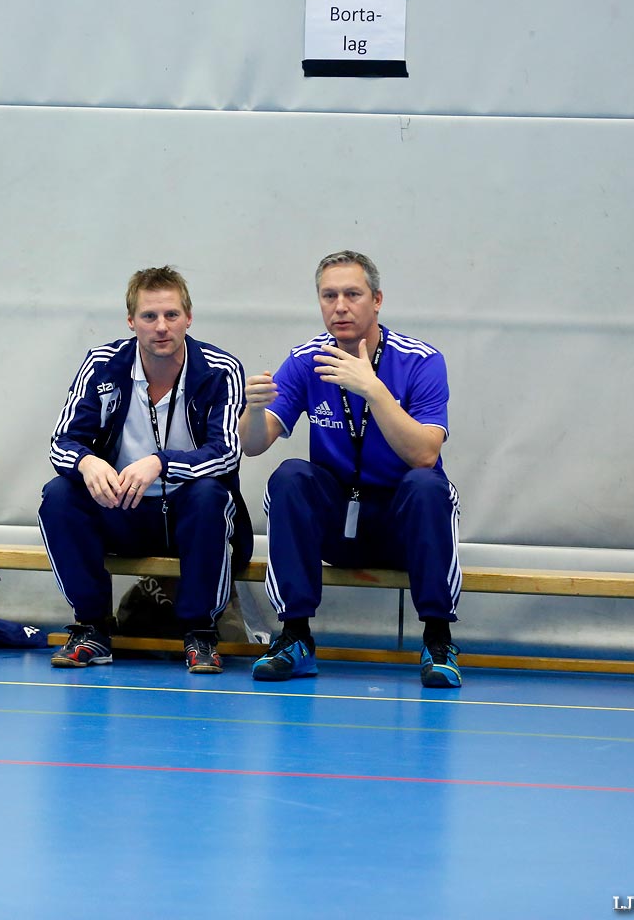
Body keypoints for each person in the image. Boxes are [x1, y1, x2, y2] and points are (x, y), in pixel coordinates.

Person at [239, 251, 462, 686]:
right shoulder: (307, 360)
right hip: (337, 523)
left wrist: (374, 391)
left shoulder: (420, 360)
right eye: (329, 295)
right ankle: (295, 637)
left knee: (427, 485)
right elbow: (254, 445)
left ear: (376, 300)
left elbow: (426, 454)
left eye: (352, 294)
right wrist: (250, 411)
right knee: (290, 476)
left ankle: (438, 641)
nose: (340, 306)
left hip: (402, 525)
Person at [40, 266, 252, 673]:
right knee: (59, 495)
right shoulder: (102, 363)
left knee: (212, 495)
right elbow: (61, 441)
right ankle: (92, 627)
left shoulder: (221, 369)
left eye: (171, 315)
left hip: (188, 512)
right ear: (131, 321)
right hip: (121, 507)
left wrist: (161, 462)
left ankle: (200, 633)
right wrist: (87, 463)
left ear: (188, 317)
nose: (161, 327)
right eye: (149, 316)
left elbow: (227, 453)